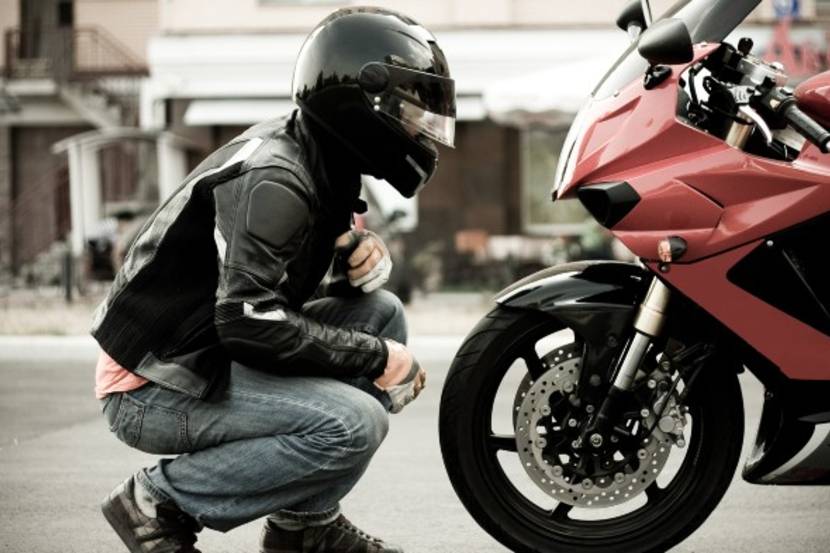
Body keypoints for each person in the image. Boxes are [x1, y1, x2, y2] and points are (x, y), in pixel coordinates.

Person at [92, 7, 456, 553]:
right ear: (362, 100)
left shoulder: (322, 157)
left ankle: (304, 527)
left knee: (383, 313)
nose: (418, 128)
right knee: (354, 422)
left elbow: (264, 274)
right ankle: (158, 501)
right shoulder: (276, 179)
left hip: (206, 350)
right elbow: (248, 322)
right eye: (409, 112)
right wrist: (375, 359)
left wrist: (354, 250)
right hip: (155, 383)